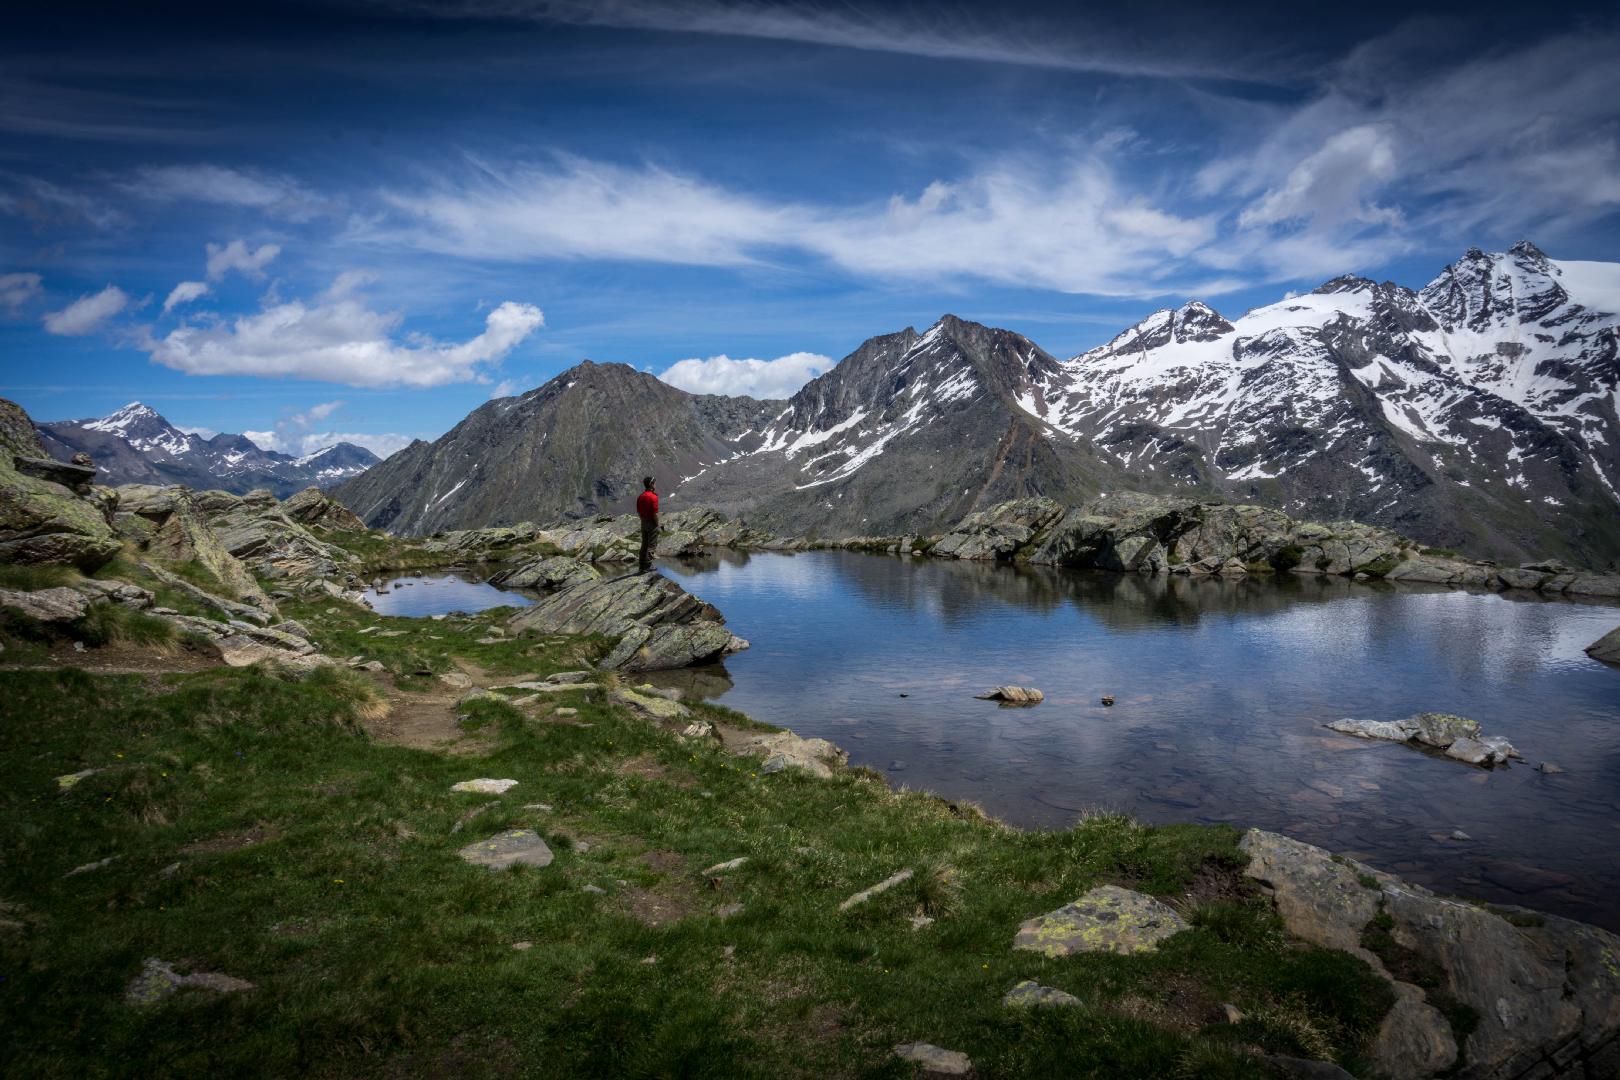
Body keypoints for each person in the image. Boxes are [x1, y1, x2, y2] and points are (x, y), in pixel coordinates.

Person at [635, 475, 659, 573]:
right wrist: (657, 524)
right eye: (654, 483)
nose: (655, 485)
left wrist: (642, 520)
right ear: (651, 484)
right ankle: (648, 566)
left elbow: (639, 511)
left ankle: (641, 566)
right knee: (651, 545)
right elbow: (654, 513)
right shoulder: (653, 497)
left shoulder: (641, 496)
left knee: (644, 544)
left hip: (643, 522)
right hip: (651, 522)